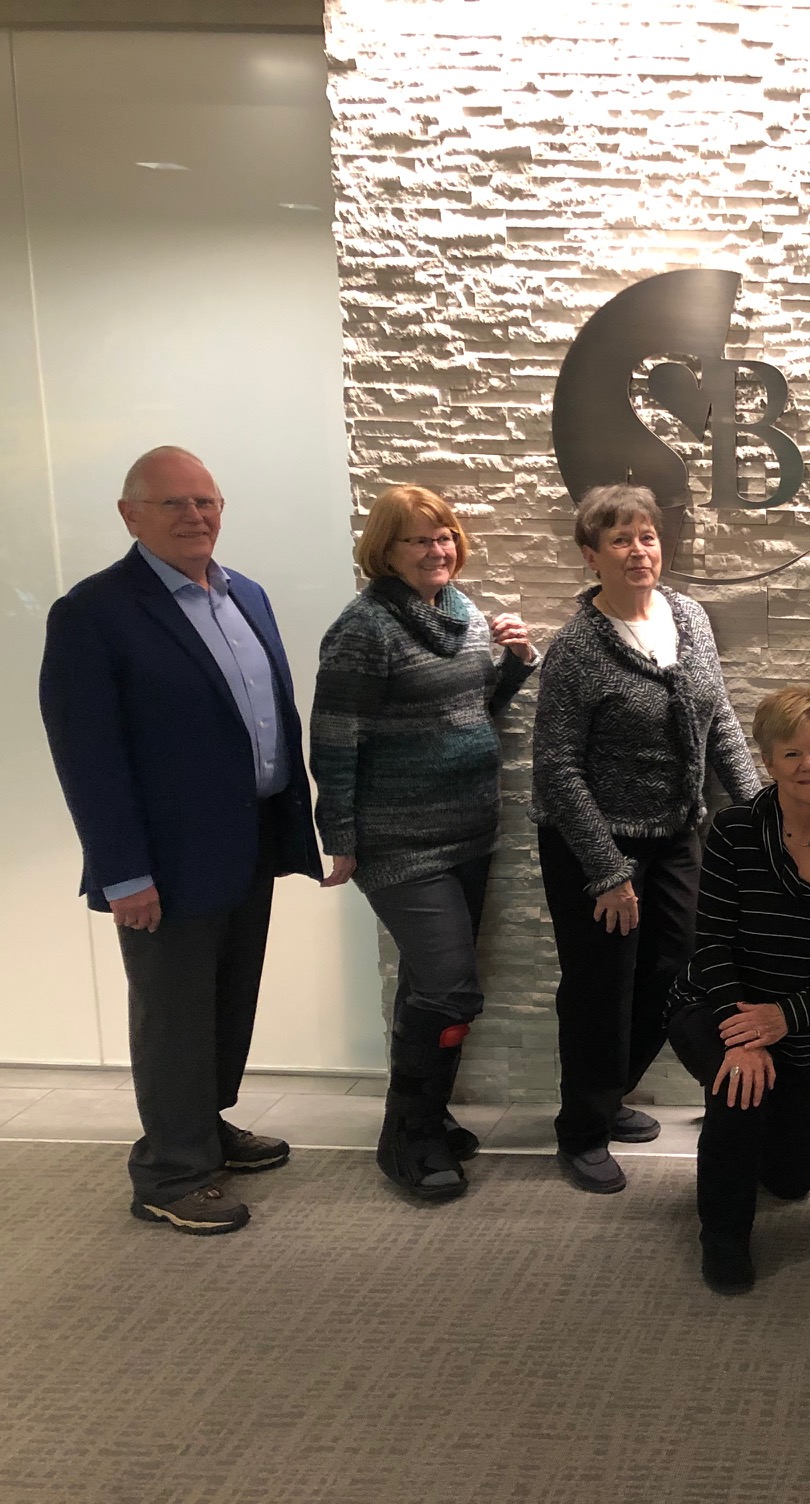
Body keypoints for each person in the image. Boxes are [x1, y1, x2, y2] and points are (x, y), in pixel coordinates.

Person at [38, 446, 323, 1235]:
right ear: (131, 516)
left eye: (206, 501)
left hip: (250, 838)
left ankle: (203, 1127)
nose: (195, 516)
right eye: (173, 504)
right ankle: (170, 1171)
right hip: (163, 859)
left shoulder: (246, 595)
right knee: (174, 1014)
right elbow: (87, 756)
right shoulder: (93, 612)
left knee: (228, 999)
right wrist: (123, 872)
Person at [532, 483, 762, 1194]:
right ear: (591, 555)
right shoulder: (577, 647)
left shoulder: (688, 617)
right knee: (601, 989)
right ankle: (582, 1129)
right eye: (621, 539)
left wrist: (761, 812)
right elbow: (557, 767)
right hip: (593, 845)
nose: (639, 551)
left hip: (675, 833)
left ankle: (608, 1091)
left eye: (647, 536)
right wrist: (607, 871)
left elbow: (719, 720)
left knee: (675, 971)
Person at [311, 485, 538, 1200]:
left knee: (428, 985)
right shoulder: (364, 628)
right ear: (385, 549)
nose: (437, 550)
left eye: (444, 537)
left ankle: (424, 1116)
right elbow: (334, 737)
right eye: (418, 539)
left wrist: (516, 664)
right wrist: (339, 835)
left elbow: (472, 710)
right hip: (400, 845)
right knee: (448, 989)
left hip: (468, 833)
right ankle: (408, 1140)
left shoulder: (462, 614)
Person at [667, 685, 810, 1294]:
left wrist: (786, 1018)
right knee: (742, 1091)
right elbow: (711, 942)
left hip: (804, 1026)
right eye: (791, 754)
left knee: (791, 1181)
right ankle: (722, 1236)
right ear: (768, 761)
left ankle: (748, 1135)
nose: (808, 765)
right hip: (714, 1004)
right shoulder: (734, 830)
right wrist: (743, 1038)